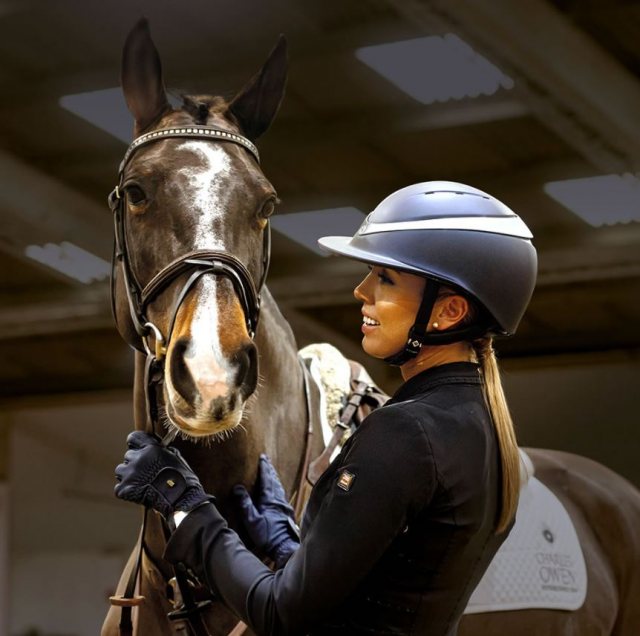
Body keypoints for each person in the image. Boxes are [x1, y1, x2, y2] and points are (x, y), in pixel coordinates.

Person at [115, 181, 537, 635]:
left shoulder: (405, 432)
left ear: (449, 312)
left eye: (385, 279)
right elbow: (383, 592)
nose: (362, 290)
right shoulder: (483, 428)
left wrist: (182, 501)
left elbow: (280, 614)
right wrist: (285, 544)